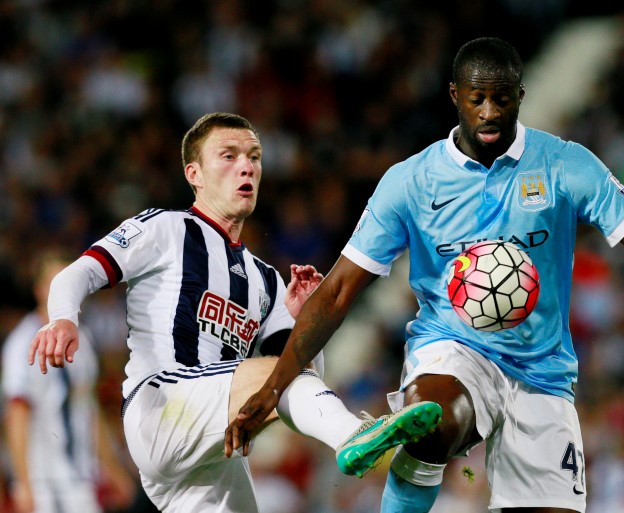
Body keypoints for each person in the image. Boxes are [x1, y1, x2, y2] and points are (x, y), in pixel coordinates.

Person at [225, 38, 624, 513]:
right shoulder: (411, 181)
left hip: (542, 372)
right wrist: (274, 387)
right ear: (455, 98)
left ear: (521, 95)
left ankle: (425, 443)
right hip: (452, 346)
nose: (489, 111)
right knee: (434, 414)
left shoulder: (565, 164)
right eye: (476, 99)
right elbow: (341, 289)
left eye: (501, 98)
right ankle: (419, 438)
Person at [28, 112, 442, 513]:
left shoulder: (266, 280)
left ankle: (351, 436)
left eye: (254, 157)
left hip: (216, 443)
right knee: (278, 376)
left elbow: (301, 373)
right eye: (228, 156)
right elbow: (77, 272)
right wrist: (62, 317)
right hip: (162, 406)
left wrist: (301, 320)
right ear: (194, 174)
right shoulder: (165, 228)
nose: (246, 166)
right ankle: (354, 433)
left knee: (286, 371)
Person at [2, 250, 136, 513]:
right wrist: (23, 484)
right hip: (42, 481)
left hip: (80, 478)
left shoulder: (82, 340)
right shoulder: (22, 342)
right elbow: (16, 415)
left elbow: (88, 410)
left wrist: (112, 468)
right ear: (39, 289)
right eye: (55, 284)